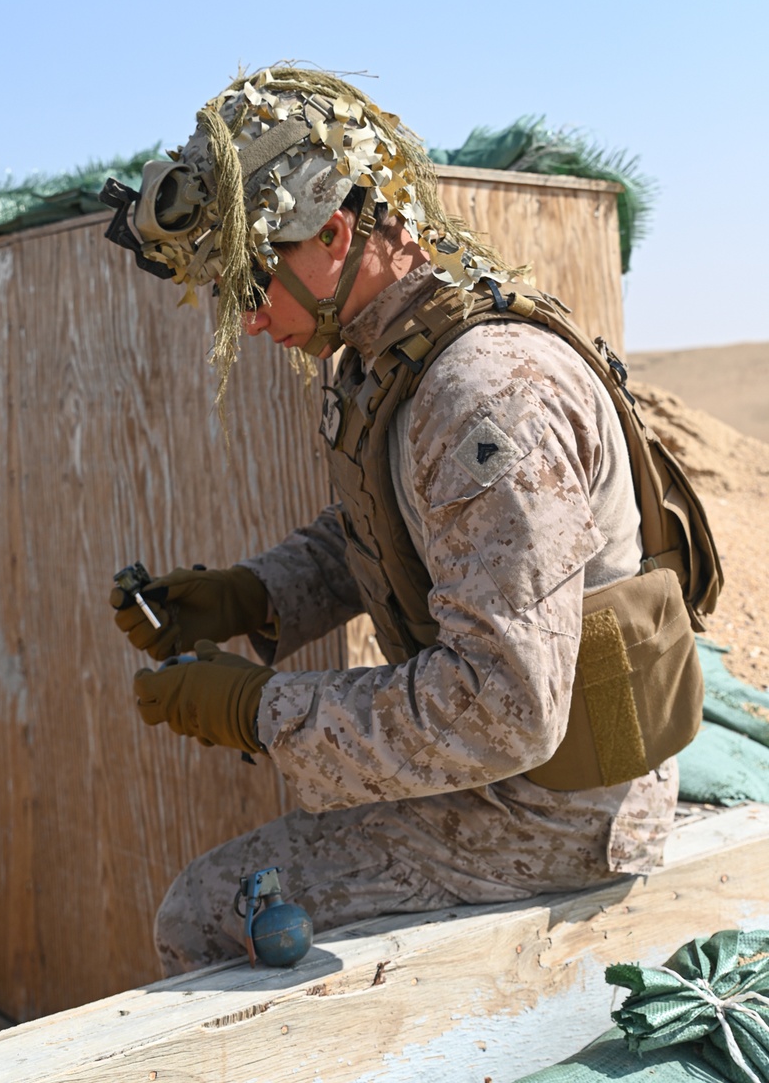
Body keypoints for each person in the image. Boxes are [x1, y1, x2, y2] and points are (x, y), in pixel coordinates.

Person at [104, 66, 711, 976]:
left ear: (337, 231)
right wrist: (249, 595)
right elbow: (397, 530)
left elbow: (503, 708)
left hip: (563, 809)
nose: (254, 320)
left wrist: (258, 711)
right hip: (522, 767)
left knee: (208, 909)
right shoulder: (393, 356)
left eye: (255, 282)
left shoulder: (482, 399)